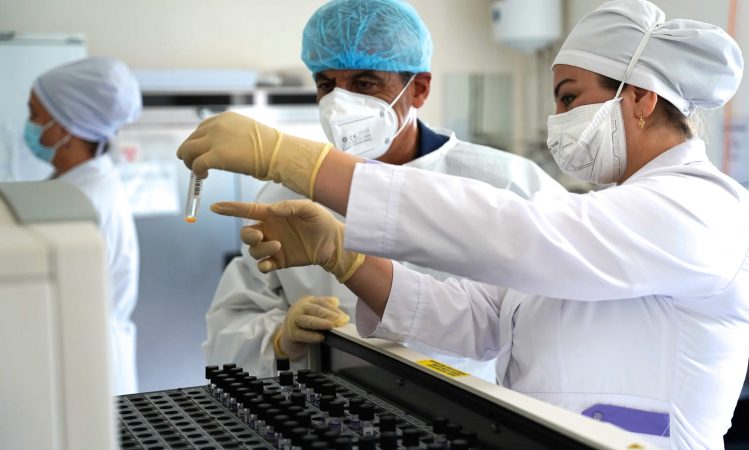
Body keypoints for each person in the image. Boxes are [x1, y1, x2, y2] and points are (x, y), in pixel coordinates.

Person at [178, 0, 749, 446]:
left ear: (639, 97)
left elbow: (523, 237)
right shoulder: (608, 211)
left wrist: (295, 159)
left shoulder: (705, 208)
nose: (556, 119)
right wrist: (348, 260)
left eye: (568, 98)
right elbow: (480, 316)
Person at [202, 0, 564, 379]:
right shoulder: (284, 199)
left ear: (419, 89)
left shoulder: (506, 183)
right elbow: (229, 326)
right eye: (326, 84)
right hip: (327, 410)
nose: (338, 103)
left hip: (471, 413)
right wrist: (279, 340)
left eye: (365, 83)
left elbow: (557, 321)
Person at [25, 56, 142, 395]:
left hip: (85, 369)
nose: (29, 125)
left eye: (35, 114)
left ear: (62, 126)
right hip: (90, 360)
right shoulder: (80, 186)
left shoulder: (80, 203)